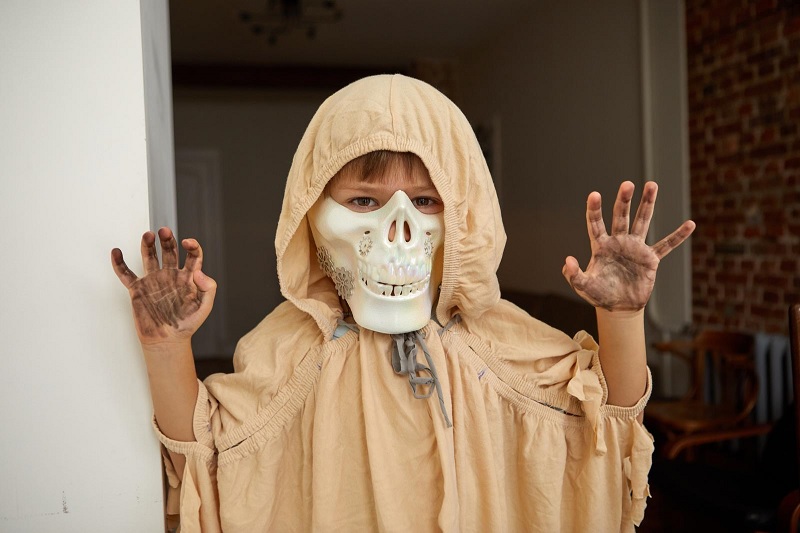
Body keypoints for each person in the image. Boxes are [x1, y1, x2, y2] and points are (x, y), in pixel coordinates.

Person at [111, 74, 694, 532]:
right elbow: (206, 469)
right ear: (311, 216)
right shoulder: (286, 350)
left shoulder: (498, 342)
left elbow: (602, 433)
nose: (399, 230)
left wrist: (621, 316)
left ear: (464, 215)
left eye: (426, 201)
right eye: (364, 201)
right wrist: (167, 345)